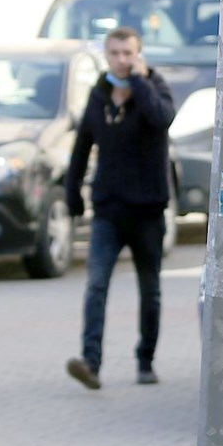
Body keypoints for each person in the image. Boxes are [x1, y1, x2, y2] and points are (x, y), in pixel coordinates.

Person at [64, 27, 176, 390]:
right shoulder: (99, 95)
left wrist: (140, 84)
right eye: (115, 53)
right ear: (107, 55)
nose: (121, 60)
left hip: (147, 210)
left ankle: (146, 360)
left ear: (139, 55)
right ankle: (91, 362)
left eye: (128, 53)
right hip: (109, 209)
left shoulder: (154, 88)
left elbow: (162, 120)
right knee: (96, 284)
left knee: (150, 290)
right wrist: (73, 194)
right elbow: (82, 147)